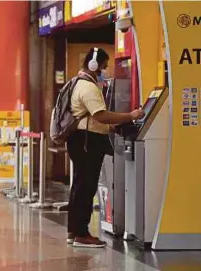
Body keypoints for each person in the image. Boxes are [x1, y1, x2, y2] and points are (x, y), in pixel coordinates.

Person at [66, 47, 145, 248]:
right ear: (94, 64)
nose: (105, 69)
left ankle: (74, 231)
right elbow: (100, 114)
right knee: (86, 186)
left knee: (80, 185)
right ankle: (81, 234)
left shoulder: (78, 82)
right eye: (103, 65)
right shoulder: (88, 87)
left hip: (82, 139)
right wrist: (131, 116)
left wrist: (110, 124)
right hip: (87, 142)